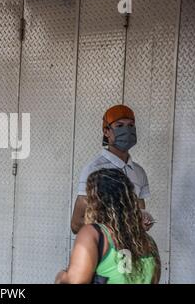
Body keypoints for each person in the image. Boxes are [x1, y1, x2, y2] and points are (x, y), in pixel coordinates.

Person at [56, 168, 161, 284]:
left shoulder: (93, 234)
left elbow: (74, 282)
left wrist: (61, 276)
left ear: (96, 201)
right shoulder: (150, 243)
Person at [71, 104, 155, 234]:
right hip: (104, 252)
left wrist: (143, 222)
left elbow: (140, 214)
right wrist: (114, 228)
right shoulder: (94, 170)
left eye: (131, 125)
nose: (127, 130)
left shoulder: (139, 172)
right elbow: (76, 224)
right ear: (106, 131)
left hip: (130, 251)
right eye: (119, 126)